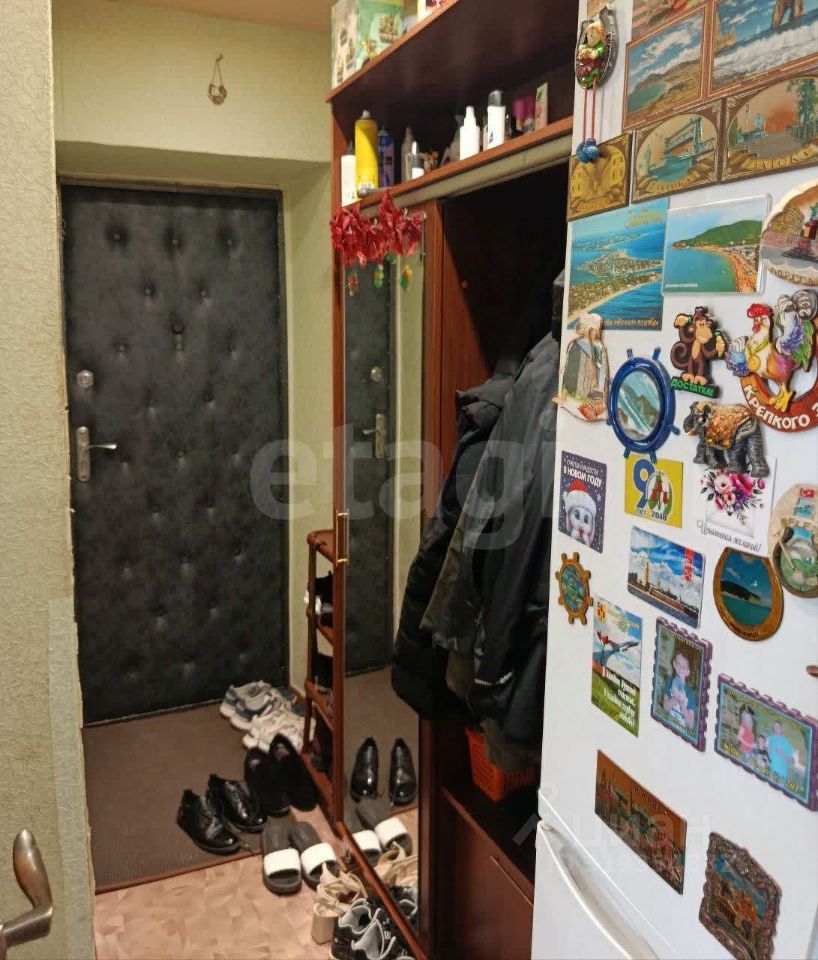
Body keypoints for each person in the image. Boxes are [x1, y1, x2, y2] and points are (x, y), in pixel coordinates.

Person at [662, 650, 697, 730]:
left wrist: (682, 703)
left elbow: (691, 724)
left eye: (684, 667)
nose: (681, 668)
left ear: (688, 671)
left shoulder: (690, 693)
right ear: (674, 664)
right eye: (678, 664)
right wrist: (675, 698)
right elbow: (665, 707)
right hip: (667, 723)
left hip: (680, 729)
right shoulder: (669, 681)